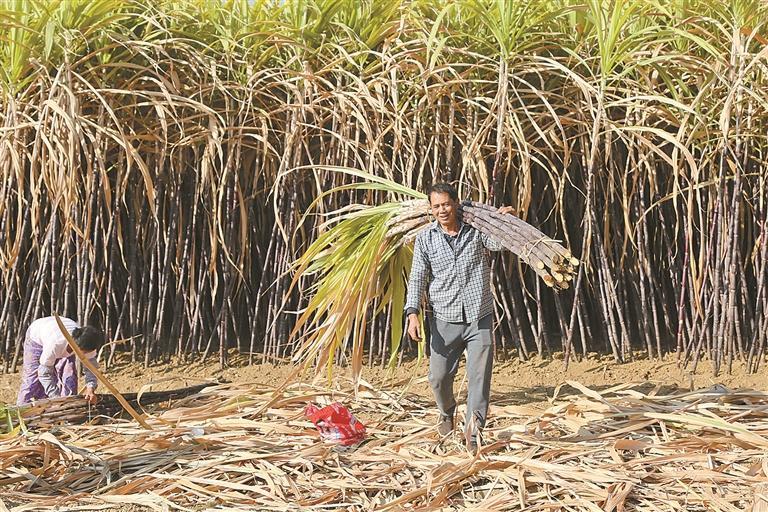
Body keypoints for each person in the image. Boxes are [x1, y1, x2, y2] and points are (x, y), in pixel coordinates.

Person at [404, 183, 514, 451]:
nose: (442, 210)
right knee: (438, 377)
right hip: (444, 318)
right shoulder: (426, 239)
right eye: (436, 206)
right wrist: (412, 312)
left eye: (446, 204)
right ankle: (446, 411)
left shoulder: (476, 231)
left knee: (479, 378)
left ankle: (474, 433)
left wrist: (506, 223)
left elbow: (499, 244)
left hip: (479, 317)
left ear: (456, 204)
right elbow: (417, 277)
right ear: (431, 209)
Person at [16, 316, 104, 406]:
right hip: (37, 336)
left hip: (60, 334)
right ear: (76, 345)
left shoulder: (88, 345)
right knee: (32, 381)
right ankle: (21, 410)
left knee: (69, 378)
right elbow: (44, 373)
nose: (85, 354)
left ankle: (68, 408)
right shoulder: (56, 344)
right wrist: (55, 398)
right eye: (83, 352)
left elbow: (91, 369)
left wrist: (90, 388)